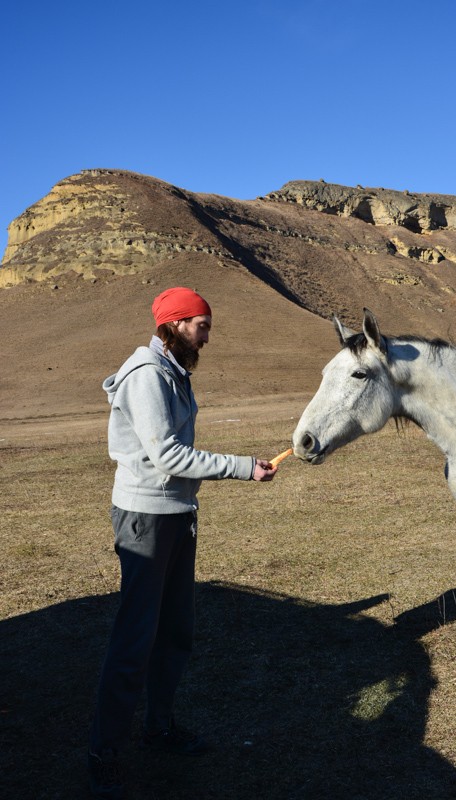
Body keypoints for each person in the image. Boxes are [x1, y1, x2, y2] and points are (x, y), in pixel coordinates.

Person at [88, 287, 277, 799]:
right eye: (201, 325)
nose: (207, 336)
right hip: (146, 518)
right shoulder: (148, 376)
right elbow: (169, 455)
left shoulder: (173, 371)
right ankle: (104, 750)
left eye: (208, 326)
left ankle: (159, 728)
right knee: (134, 638)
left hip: (176, 514)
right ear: (174, 323)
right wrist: (242, 467)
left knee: (175, 631)